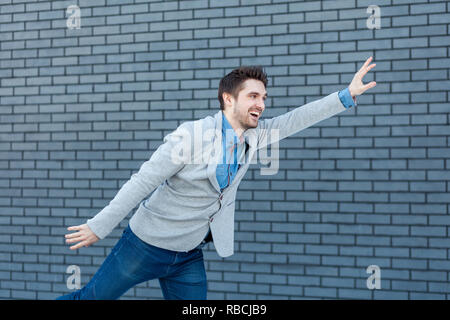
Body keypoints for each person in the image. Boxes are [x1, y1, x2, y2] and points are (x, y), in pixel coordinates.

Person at [57, 57, 376, 300]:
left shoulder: (256, 135)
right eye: (253, 96)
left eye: (264, 98)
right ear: (228, 99)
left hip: (188, 256)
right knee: (90, 298)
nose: (261, 105)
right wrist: (99, 226)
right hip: (144, 246)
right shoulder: (191, 136)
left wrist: (345, 95)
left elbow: (295, 120)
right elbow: (142, 181)